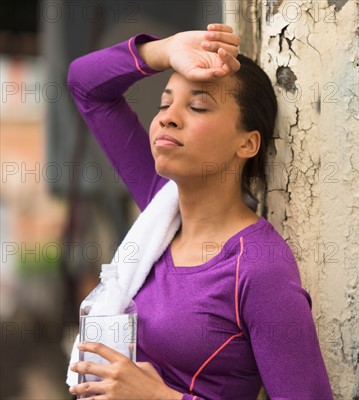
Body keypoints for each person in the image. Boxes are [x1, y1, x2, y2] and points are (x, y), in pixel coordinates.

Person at [66, 24, 334, 400]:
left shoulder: (260, 268)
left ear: (247, 143)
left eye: (197, 106)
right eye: (164, 103)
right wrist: (166, 50)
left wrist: (160, 397)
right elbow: (85, 84)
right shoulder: (162, 211)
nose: (167, 117)